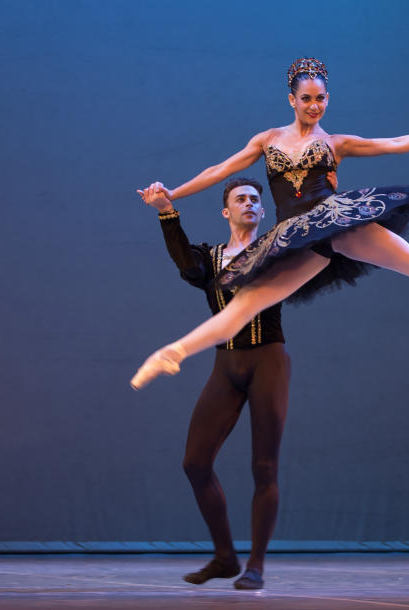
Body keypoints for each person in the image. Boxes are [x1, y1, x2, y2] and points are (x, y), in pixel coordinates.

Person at [131, 57, 409, 390]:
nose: (315, 106)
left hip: (336, 221)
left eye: (321, 99)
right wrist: (173, 194)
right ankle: (175, 351)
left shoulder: (335, 143)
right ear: (291, 100)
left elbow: (395, 143)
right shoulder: (267, 140)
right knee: (246, 305)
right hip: (294, 236)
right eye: (307, 98)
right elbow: (219, 169)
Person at [140, 178, 289, 590]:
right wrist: (167, 212)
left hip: (268, 360)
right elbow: (188, 266)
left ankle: (255, 564)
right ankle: (225, 556)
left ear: (262, 212)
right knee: (195, 463)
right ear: (226, 211)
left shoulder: (277, 248)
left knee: (264, 466)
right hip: (227, 363)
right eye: (240, 199)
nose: (249, 203)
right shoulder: (212, 257)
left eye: (255, 200)